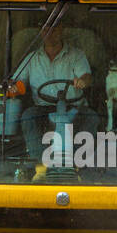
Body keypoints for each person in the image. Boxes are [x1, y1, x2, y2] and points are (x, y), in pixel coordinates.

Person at [13, 24, 98, 175]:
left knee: (91, 117)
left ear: (62, 31)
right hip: (43, 108)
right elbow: (18, 83)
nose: (50, 33)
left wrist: (83, 81)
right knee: (28, 116)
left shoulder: (76, 55)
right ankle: (41, 167)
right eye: (46, 30)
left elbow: (86, 76)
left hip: (73, 107)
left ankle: (78, 167)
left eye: (55, 29)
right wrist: (12, 89)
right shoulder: (32, 58)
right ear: (41, 33)